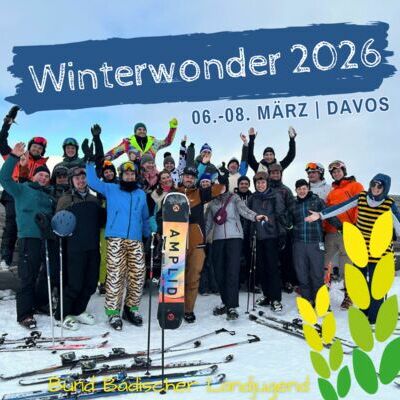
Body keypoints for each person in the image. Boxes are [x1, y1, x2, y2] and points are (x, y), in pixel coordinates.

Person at [306, 174, 400, 323]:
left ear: (385, 188)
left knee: (376, 285)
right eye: (373, 184)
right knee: (360, 284)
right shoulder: (362, 197)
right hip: (360, 250)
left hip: (380, 252)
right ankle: (364, 311)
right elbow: (340, 207)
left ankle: (375, 317)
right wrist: (321, 215)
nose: (375, 188)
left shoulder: (389, 204)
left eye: (380, 186)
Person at [86, 159, 150, 330]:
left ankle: (130, 309)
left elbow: (144, 217)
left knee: (138, 275)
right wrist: (90, 164)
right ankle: (113, 313)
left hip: (135, 239)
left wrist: (147, 234)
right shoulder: (111, 188)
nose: (129, 177)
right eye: (126, 174)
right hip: (115, 238)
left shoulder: (141, 194)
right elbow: (92, 182)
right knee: (115, 276)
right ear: (121, 175)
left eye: (132, 174)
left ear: (135, 176)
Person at [0, 142, 55, 329]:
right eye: (41, 174)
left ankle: (39, 304)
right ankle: (25, 314)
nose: (44, 178)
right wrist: (13, 157)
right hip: (28, 239)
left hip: (46, 240)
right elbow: (4, 179)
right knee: (28, 277)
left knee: (45, 275)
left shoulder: (49, 196)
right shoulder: (22, 189)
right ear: (33, 175)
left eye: (47, 176)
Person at [171, 166, 226, 323]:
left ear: (195, 179)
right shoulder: (173, 194)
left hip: (197, 243)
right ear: (182, 177)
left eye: (192, 177)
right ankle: (173, 307)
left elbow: (221, 188)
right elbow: (161, 215)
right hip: (176, 242)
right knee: (175, 277)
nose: (189, 179)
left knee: (193, 278)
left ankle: (188, 310)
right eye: (186, 176)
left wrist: (220, 175)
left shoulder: (201, 193)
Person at [206, 186, 267, 320]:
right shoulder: (212, 202)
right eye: (217, 185)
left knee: (232, 271)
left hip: (234, 238)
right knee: (219, 272)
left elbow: (243, 210)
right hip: (217, 239)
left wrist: (255, 216)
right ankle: (225, 302)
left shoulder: (234, 198)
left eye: (222, 185)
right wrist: (202, 239)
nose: (220, 188)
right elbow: (208, 222)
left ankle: (232, 306)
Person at [0, 107, 48, 270]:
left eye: (40, 148)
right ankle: (5, 258)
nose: (37, 149)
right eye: (34, 146)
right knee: (12, 223)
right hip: (12, 192)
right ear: (30, 146)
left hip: (29, 197)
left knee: (29, 225)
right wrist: (7, 123)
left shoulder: (42, 166)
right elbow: (1, 141)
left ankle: (25, 258)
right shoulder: (17, 155)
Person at [55, 166, 102, 330]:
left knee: (91, 283)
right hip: (74, 248)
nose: (81, 181)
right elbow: (59, 224)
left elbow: (100, 222)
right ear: (71, 181)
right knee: (74, 284)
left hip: (93, 247)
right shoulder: (65, 200)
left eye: (83, 178)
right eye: (77, 179)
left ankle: (78, 310)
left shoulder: (94, 200)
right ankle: (62, 314)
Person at [288, 179, 341, 304]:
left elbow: (328, 214)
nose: (302, 191)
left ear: (308, 189)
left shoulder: (317, 201)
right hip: (299, 243)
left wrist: (340, 227)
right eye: (299, 189)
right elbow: (288, 220)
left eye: (304, 188)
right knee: (302, 273)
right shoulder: (293, 204)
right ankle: (307, 300)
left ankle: (320, 301)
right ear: (296, 190)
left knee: (317, 273)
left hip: (315, 242)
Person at [323, 160, 364, 309]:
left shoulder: (355, 186)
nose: (336, 173)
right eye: (333, 172)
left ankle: (349, 296)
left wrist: (356, 226)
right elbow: (327, 213)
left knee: (347, 265)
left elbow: (361, 206)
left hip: (348, 231)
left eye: (338, 171)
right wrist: (323, 229)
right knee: (325, 263)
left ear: (344, 171)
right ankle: (323, 290)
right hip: (331, 233)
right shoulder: (331, 193)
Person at [247, 172, 286, 312]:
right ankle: (267, 295)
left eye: (263, 182)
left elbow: (280, 215)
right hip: (258, 237)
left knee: (272, 268)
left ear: (267, 183)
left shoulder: (275, 196)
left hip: (271, 236)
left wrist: (282, 234)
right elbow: (249, 217)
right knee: (261, 268)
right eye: (258, 183)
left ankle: (275, 298)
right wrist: (250, 234)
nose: (260, 185)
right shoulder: (252, 198)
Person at [268, 163, 297, 293]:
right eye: (273, 173)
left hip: (283, 229)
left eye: (277, 173)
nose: (275, 175)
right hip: (269, 229)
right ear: (269, 174)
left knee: (286, 258)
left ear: (280, 174)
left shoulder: (286, 190)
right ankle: (272, 282)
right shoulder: (265, 188)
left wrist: (287, 223)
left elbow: (292, 208)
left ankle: (287, 281)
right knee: (271, 258)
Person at [104, 119, 178, 163]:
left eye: (144, 130)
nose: (142, 131)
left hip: (151, 177)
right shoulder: (128, 143)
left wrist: (173, 128)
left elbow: (167, 142)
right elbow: (113, 153)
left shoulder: (153, 142)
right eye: (139, 129)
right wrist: (102, 159)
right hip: (134, 176)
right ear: (135, 131)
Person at [198, 173, 219, 296]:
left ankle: (215, 286)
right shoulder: (197, 196)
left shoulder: (215, 196)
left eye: (207, 181)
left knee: (213, 261)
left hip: (213, 233)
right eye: (203, 182)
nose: (205, 184)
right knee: (202, 262)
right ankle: (203, 287)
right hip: (200, 233)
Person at [234, 176, 255, 289]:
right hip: (236, 231)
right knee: (236, 258)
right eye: (241, 183)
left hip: (249, 231)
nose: (244, 186)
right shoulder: (233, 197)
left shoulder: (252, 197)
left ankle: (251, 283)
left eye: (246, 184)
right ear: (238, 185)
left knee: (250, 258)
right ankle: (236, 283)